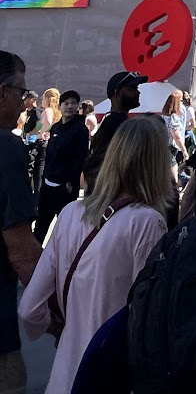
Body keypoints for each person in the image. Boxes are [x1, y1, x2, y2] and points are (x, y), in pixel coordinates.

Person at [19, 116, 173, 394]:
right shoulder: (148, 223)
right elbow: (147, 321)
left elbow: (29, 307)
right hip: (109, 376)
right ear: (156, 164)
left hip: (64, 377)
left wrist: (62, 328)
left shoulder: (70, 213)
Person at [0, 50, 40, 394]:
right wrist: (58, 310)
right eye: (21, 92)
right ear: (3, 92)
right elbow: (22, 252)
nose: (24, 103)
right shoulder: (7, 148)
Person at [34, 90, 90, 242]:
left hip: (65, 187)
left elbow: (80, 158)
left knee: (65, 230)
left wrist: (71, 182)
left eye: (73, 103)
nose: (69, 107)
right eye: (66, 103)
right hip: (48, 184)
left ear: (78, 106)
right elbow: (49, 155)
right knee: (41, 226)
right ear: (60, 106)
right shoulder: (56, 127)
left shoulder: (80, 129)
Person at [83, 69, 148, 186]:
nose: (138, 93)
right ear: (117, 92)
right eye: (132, 89)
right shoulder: (117, 123)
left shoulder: (112, 120)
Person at [161, 90, 187, 166]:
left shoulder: (164, 116)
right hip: (172, 148)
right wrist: (184, 151)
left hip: (163, 146)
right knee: (174, 169)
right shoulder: (174, 117)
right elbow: (176, 136)